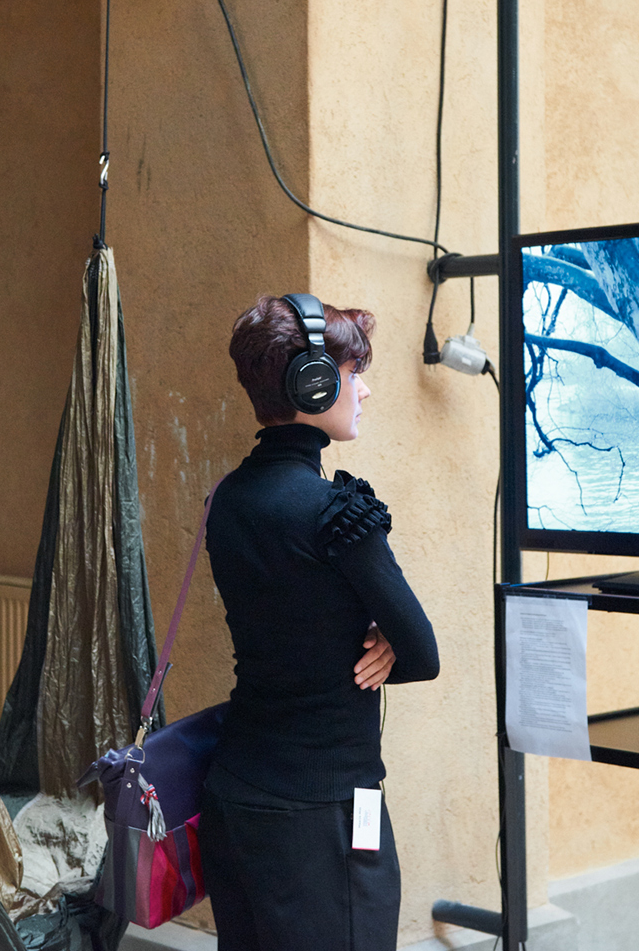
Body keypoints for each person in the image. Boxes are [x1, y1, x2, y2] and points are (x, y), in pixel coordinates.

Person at [198, 293, 440, 951]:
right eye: (353, 373)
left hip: (234, 799)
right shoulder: (336, 516)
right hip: (322, 818)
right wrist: (390, 638)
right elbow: (423, 655)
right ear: (314, 383)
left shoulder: (229, 499)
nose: (364, 391)